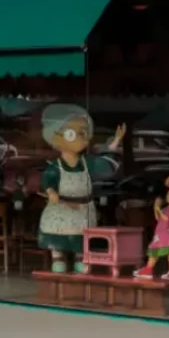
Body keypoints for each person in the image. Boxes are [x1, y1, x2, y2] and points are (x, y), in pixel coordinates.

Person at [38, 104, 124, 273]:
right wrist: (50, 191)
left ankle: (80, 257)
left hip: (83, 209)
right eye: (72, 134)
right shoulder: (55, 166)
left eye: (84, 133)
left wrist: (114, 143)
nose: (80, 138)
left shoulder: (88, 162)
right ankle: (58, 256)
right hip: (61, 209)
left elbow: (105, 166)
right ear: (56, 138)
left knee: (80, 238)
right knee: (58, 236)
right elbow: (48, 179)